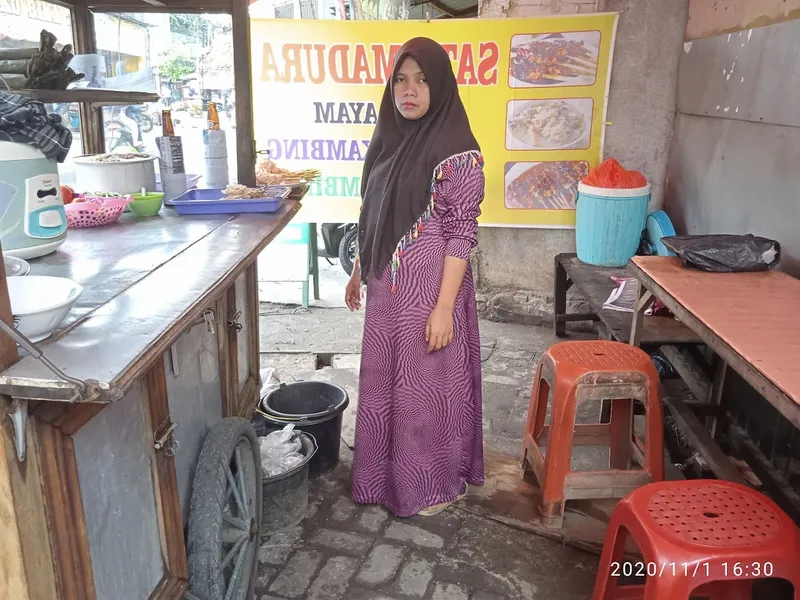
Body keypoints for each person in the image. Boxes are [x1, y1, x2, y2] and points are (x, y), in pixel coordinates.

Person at [346, 37, 486, 518]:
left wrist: (445, 307)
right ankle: (385, 478)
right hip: (388, 296)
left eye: (423, 80)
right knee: (388, 388)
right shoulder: (388, 143)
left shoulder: (458, 151)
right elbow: (375, 213)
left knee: (426, 393)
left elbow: (461, 235)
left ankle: (432, 485)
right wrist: (358, 268)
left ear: (440, 84)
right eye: (401, 80)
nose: (410, 90)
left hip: (430, 299)